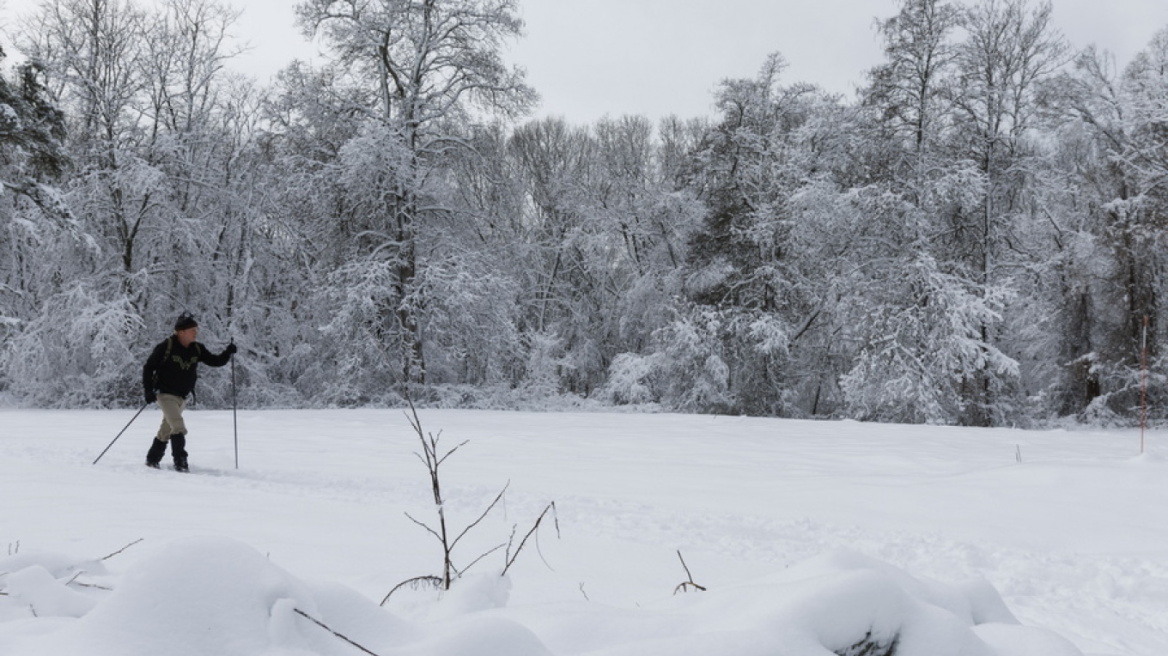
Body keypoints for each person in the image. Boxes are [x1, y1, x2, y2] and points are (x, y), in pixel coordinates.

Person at [142, 312, 237, 471]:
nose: (196, 332)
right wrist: (148, 390)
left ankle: (152, 459)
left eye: (196, 329)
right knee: (178, 426)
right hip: (165, 394)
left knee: (167, 428)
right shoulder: (167, 346)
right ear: (181, 332)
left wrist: (228, 352)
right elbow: (148, 367)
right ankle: (181, 462)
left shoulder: (197, 349)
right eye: (192, 330)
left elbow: (215, 361)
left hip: (182, 396)